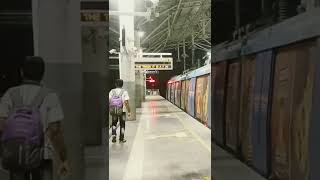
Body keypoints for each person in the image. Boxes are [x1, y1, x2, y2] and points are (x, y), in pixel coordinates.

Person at [0, 56, 70, 180]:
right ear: (42, 74)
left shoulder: (10, 94)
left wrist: (7, 150)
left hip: (16, 154)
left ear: (21, 72)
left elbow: (1, 125)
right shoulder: (50, 96)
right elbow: (55, 130)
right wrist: (63, 159)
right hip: (43, 154)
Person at [109, 79, 131, 143]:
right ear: (122, 84)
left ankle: (113, 136)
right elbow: (126, 102)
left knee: (114, 124)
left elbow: (109, 101)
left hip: (114, 111)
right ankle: (121, 139)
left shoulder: (111, 91)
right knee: (122, 125)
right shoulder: (124, 92)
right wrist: (129, 111)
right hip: (122, 111)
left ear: (115, 84)